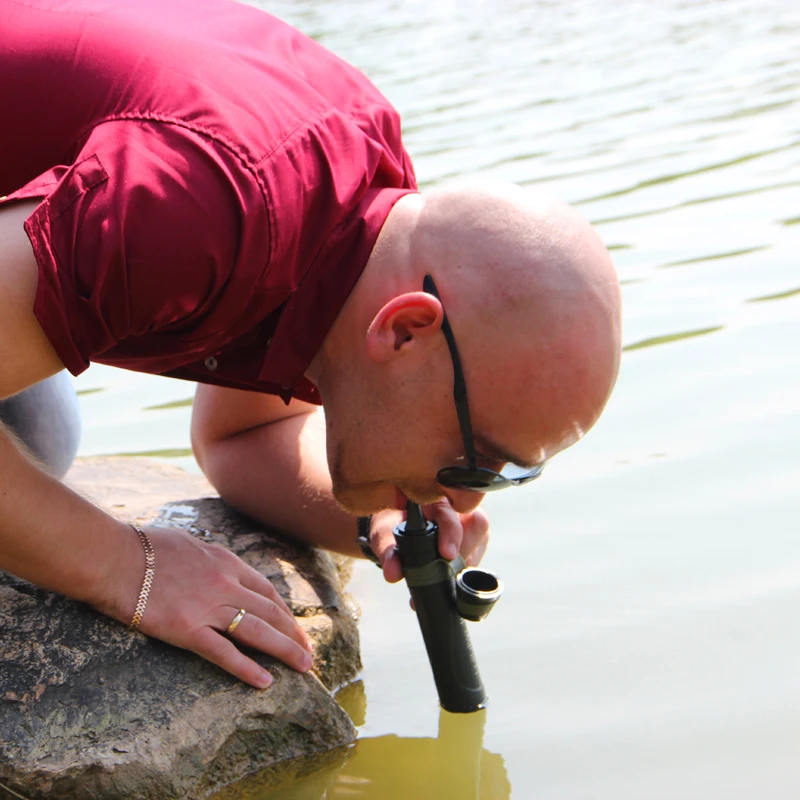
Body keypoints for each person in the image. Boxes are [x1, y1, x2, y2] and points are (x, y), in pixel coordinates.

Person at [0, 0, 622, 689]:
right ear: (405, 329)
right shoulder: (211, 210)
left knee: (37, 431)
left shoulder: (358, 223)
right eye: (474, 464)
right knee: (38, 439)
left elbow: (238, 438)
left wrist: (374, 512)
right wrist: (125, 565)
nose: (466, 502)